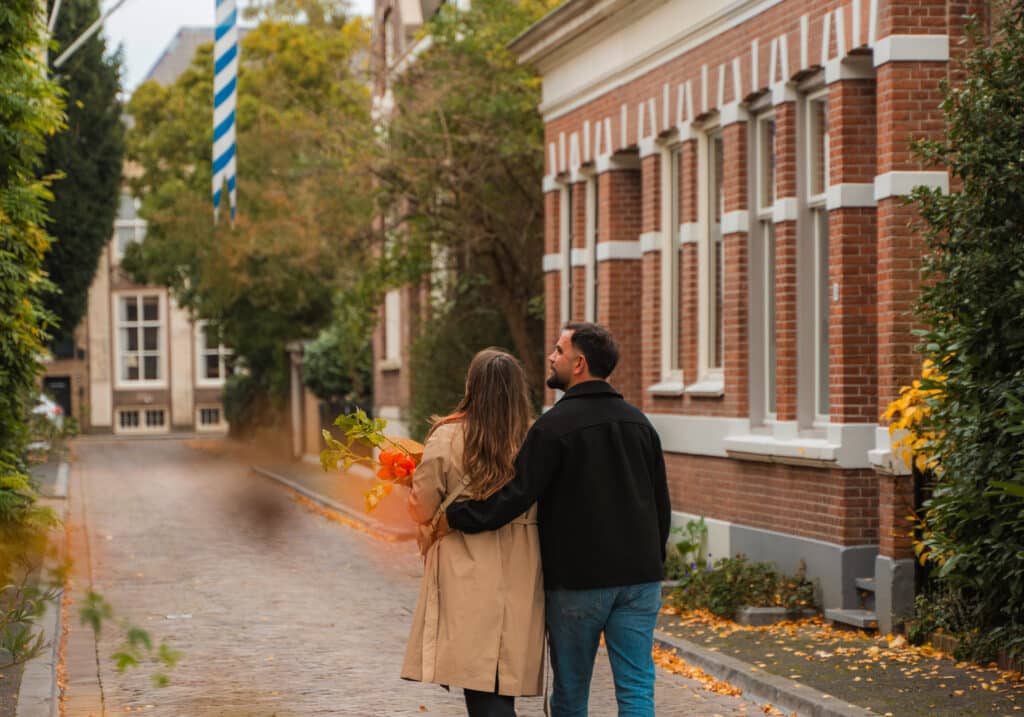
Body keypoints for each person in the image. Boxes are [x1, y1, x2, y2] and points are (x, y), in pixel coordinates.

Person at [444, 322, 671, 717]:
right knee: (637, 688)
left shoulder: (552, 427)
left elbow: (517, 494)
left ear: (579, 363)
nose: (551, 357)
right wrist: (653, 562)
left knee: (570, 693)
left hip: (577, 583)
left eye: (559, 351)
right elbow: (661, 505)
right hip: (640, 580)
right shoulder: (640, 424)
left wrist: (462, 515)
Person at [401, 348, 545, 717]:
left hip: (464, 560)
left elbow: (423, 506)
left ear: (472, 386)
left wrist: (411, 485)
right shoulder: (535, 438)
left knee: (478, 679)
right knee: (501, 675)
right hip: (522, 562)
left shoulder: (447, 436)